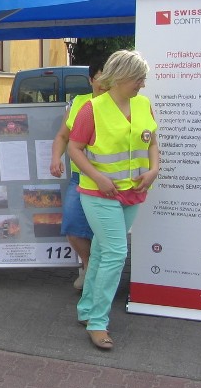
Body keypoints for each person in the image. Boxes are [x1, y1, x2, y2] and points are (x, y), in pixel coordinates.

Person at [67, 50, 159, 350]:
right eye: (138, 78)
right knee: (117, 253)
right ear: (120, 76)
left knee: (106, 252)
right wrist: (100, 178)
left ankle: (87, 309)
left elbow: (152, 142)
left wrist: (155, 169)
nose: (142, 85)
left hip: (133, 192)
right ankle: (97, 323)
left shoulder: (144, 105)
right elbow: (75, 149)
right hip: (99, 193)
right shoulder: (92, 109)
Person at [50, 56, 107, 290]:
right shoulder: (78, 104)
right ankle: (88, 266)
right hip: (80, 178)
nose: (106, 84)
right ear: (91, 80)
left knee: (105, 233)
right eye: (101, 79)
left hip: (111, 180)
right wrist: (55, 158)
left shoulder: (121, 103)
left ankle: (100, 277)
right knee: (72, 227)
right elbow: (63, 136)